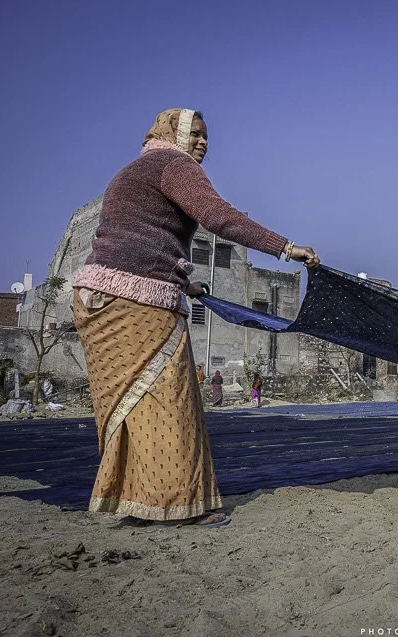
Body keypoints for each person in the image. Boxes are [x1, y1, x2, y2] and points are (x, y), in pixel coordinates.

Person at [71, 108, 319, 526]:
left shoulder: (133, 172)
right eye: (196, 134)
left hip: (96, 298)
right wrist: (284, 246)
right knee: (171, 401)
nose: (203, 143)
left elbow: (136, 239)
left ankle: (141, 504)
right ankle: (179, 506)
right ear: (175, 134)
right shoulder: (173, 165)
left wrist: (186, 284)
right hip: (137, 303)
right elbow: (219, 217)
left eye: (207, 137)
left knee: (131, 407)